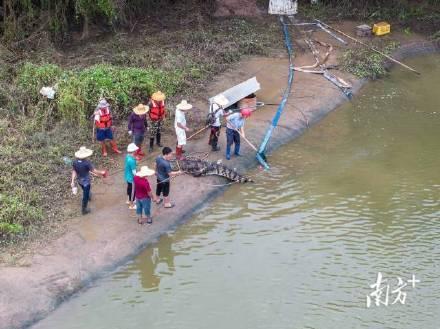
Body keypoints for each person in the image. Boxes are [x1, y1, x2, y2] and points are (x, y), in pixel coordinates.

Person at [71, 146, 107, 215]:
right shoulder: (87, 162)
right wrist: (102, 173)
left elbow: (74, 171)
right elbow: (94, 170)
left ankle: (89, 196)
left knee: (85, 190)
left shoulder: (75, 162)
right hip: (86, 182)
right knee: (85, 196)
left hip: (79, 181)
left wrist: (72, 181)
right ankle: (84, 210)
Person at [124, 143, 139, 210]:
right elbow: (134, 172)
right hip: (132, 178)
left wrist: (135, 159)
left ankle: (128, 200)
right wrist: (139, 176)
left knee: (129, 189)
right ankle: (131, 205)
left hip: (127, 176)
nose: (136, 151)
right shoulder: (132, 161)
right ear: (134, 151)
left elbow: (133, 159)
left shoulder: (128, 156)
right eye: (136, 150)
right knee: (133, 191)